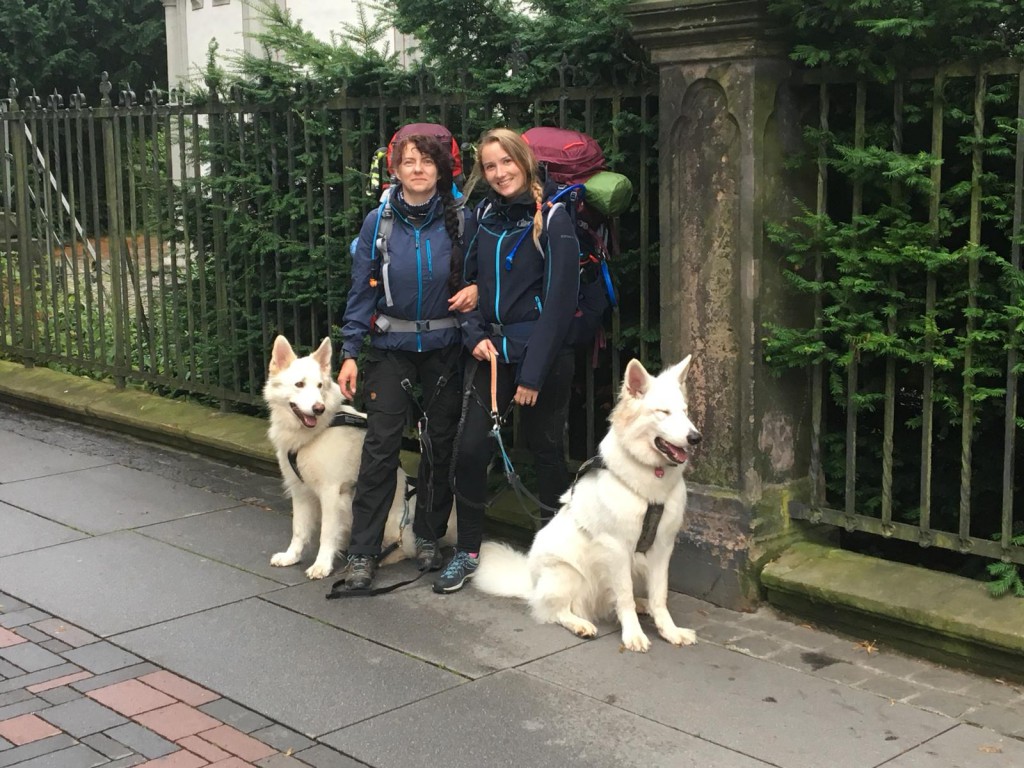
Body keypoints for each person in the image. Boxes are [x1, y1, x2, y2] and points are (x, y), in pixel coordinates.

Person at [433, 128, 581, 594]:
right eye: (490, 166)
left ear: (524, 161)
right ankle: (468, 551)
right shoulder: (482, 215)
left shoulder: (553, 218)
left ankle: (555, 556)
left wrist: (532, 374)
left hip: (541, 359)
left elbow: (559, 305)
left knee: (547, 453)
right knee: (471, 448)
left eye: (506, 163)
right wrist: (474, 335)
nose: (499, 174)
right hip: (491, 355)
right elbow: (470, 284)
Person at [338, 133, 477, 591]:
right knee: (380, 448)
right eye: (408, 161)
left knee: (440, 444)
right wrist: (350, 353)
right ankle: (362, 551)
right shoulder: (377, 222)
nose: (417, 169)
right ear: (394, 170)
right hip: (390, 350)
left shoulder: (461, 219)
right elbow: (361, 291)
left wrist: (477, 291)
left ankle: (429, 535)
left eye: (427, 162)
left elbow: (484, 280)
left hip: (445, 348)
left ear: (441, 170)